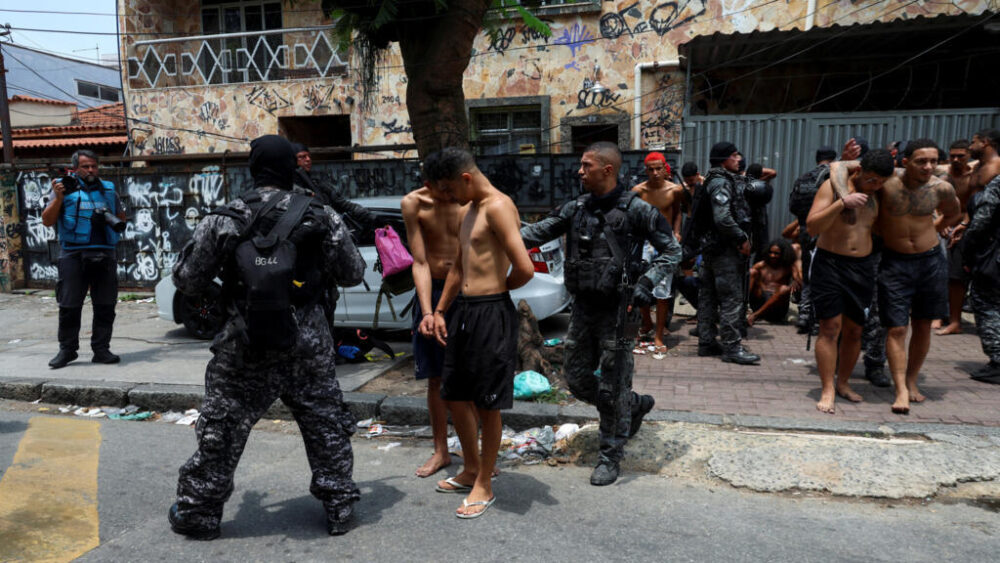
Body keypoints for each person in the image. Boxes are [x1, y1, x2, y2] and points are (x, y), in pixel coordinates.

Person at [168, 135, 366, 538]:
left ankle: (198, 513)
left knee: (222, 426)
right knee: (324, 422)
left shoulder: (224, 218)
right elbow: (353, 272)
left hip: (244, 343)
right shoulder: (321, 214)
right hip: (307, 342)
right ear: (292, 168)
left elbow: (187, 280)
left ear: (253, 169)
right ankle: (340, 506)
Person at [521, 141, 680, 486]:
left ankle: (610, 455)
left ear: (607, 170)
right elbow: (535, 233)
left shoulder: (637, 210)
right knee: (576, 379)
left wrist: (648, 282)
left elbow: (672, 251)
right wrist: (493, 232)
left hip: (619, 311)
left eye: (586, 165)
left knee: (612, 385)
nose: (580, 171)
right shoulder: (575, 208)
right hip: (583, 309)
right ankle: (632, 405)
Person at [428, 147, 534, 518]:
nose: (447, 197)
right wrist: (440, 310)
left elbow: (525, 268)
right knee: (455, 394)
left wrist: (496, 290)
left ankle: (485, 483)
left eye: (448, 188)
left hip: (491, 312)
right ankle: (471, 468)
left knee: (488, 404)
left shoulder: (499, 207)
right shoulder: (466, 211)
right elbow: (457, 268)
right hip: (463, 313)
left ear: (466, 178)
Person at [863, 139, 961, 414]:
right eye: (921, 161)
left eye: (932, 161)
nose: (928, 166)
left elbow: (955, 212)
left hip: (930, 261)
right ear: (904, 162)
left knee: (922, 324)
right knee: (895, 327)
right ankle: (901, 389)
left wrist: (935, 228)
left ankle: (912, 380)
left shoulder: (941, 187)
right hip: (894, 262)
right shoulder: (887, 183)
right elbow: (847, 168)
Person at [806, 149, 894, 414]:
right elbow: (812, 226)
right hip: (829, 263)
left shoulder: (880, 195)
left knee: (855, 330)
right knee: (830, 327)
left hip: (863, 267)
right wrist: (842, 203)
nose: (875, 185)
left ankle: (843, 382)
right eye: (871, 179)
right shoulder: (832, 187)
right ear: (858, 172)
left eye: (881, 181)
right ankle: (827, 388)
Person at [400, 150, 467, 478]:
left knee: (470, 377)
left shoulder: (466, 200)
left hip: (467, 294)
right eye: (444, 188)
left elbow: (467, 259)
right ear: (429, 184)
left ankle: (474, 455)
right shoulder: (413, 203)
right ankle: (441, 451)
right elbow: (421, 261)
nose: (450, 194)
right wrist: (428, 311)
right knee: (436, 378)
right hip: (432, 291)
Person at [41, 149, 127, 369]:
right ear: (76, 168)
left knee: (106, 305)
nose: (90, 170)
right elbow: (47, 220)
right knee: (69, 305)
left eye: (94, 166)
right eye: (85, 166)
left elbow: (121, 217)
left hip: (105, 252)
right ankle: (67, 351)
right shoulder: (63, 188)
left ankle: (101, 350)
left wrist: (107, 217)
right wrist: (59, 198)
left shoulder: (108, 189)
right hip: (73, 254)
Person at [691, 142, 759, 365]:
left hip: (711, 248)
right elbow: (722, 218)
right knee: (731, 299)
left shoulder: (712, 179)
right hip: (725, 250)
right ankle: (732, 347)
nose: (739, 158)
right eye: (734, 155)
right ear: (723, 160)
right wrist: (741, 238)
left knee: (708, 296)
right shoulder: (721, 182)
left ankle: (707, 342)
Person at [632, 152, 684, 357]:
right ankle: (647, 323)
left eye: (658, 168)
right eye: (650, 169)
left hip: (665, 243)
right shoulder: (638, 191)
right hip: (643, 243)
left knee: (662, 292)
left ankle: (659, 335)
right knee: (641, 286)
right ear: (646, 170)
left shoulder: (675, 190)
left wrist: (677, 232)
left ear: (665, 168)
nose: (654, 173)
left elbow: (678, 211)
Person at [789, 146, 838, 335]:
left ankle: (804, 315)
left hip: (805, 230)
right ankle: (817, 319)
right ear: (833, 159)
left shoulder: (803, 178)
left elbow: (793, 205)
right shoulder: (832, 177)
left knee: (809, 275)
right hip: (827, 233)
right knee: (825, 277)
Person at [933, 139, 977, 335]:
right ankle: (943, 317)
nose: (956, 159)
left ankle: (954, 320)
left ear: (969, 155)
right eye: (953, 155)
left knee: (962, 277)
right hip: (945, 227)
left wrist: (962, 224)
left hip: (969, 227)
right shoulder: (943, 174)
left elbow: (970, 207)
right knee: (944, 273)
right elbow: (931, 199)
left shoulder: (975, 176)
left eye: (961, 155)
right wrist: (940, 220)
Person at [291, 143, 376, 230]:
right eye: (302, 157)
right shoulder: (290, 190)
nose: (308, 159)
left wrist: (373, 218)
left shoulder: (317, 184)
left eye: (308, 156)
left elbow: (344, 204)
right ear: (292, 160)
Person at [747, 238, 800, 327]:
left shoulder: (788, 267)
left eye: (776, 253)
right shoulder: (761, 265)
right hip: (758, 303)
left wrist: (794, 282)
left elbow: (800, 282)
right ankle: (743, 308)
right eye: (770, 252)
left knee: (784, 289)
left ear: (783, 254)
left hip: (777, 308)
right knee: (752, 272)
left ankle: (755, 315)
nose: (772, 255)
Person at [744, 163, 775, 262]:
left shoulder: (742, 182)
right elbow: (772, 172)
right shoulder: (763, 185)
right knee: (761, 245)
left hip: (748, 217)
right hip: (759, 218)